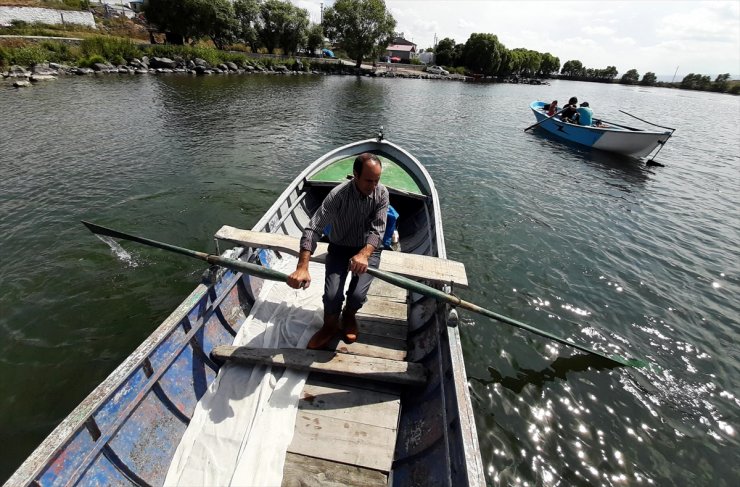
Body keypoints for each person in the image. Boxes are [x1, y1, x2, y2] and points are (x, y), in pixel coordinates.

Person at [287, 153, 389, 349]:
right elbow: (313, 229)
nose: (374, 186)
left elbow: (378, 230)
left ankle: (349, 315)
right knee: (332, 295)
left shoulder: (382, 194)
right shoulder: (338, 195)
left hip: (369, 249)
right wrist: (302, 267)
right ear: (355, 175)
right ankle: (330, 325)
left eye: (377, 180)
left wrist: (364, 254)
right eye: (369, 180)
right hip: (340, 247)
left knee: (358, 295)